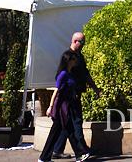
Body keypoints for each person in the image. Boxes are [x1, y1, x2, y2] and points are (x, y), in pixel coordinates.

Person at [51, 32, 99, 160]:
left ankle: (57, 149)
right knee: (76, 121)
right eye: (82, 42)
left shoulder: (79, 57)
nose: (83, 45)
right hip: (69, 96)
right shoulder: (68, 56)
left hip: (75, 94)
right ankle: (82, 150)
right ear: (75, 41)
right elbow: (60, 78)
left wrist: (95, 88)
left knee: (67, 124)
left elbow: (85, 74)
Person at [38, 51, 90, 162]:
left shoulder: (70, 73)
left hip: (67, 106)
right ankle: (43, 158)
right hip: (61, 108)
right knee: (57, 132)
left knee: (69, 130)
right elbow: (56, 92)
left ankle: (79, 155)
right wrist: (50, 107)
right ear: (69, 61)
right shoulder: (63, 74)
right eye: (74, 59)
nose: (76, 61)